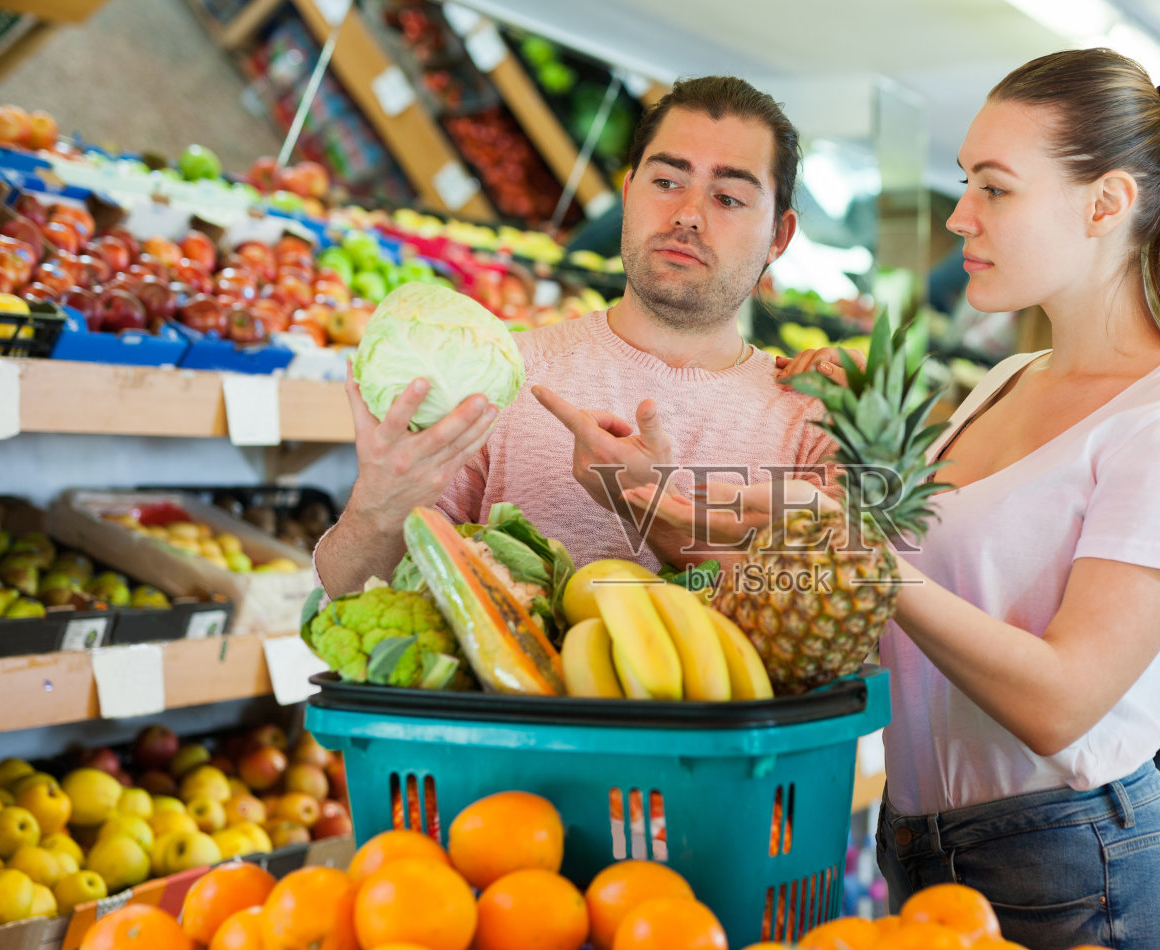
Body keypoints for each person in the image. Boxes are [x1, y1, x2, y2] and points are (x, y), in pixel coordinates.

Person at [870, 49, 1160, 950]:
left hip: (1085, 889)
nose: (958, 216)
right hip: (925, 873)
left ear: (1104, 204)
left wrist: (863, 561)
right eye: (964, 183)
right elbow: (939, 599)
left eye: (994, 189)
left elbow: (1064, 700)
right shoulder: (1007, 381)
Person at [313, 76, 856, 597]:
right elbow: (358, 596)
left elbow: (845, 630)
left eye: (729, 198)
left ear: (778, 237)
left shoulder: (815, 420)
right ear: (628, 192)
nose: (688, 215)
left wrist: (653, 507)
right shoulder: (502, 378)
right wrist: (375, 508)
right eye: (666, 182)